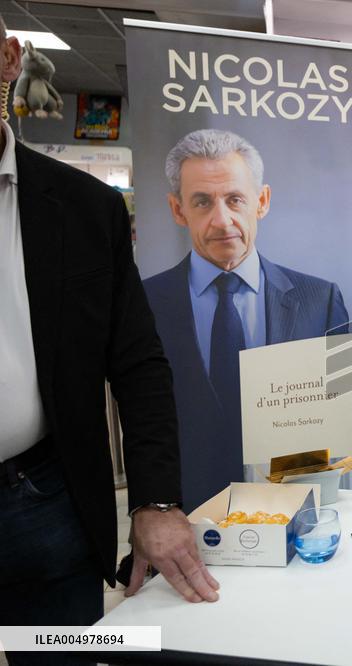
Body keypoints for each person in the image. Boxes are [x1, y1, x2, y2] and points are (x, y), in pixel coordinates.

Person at [0, 16, 218, 660]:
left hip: (44, 504)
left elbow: (140, 365)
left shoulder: (84, 209)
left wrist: (154, 500)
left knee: (57, 655)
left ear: (8, 59)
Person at [143, 129, 350, 509]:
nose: (222, 221)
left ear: (262, 201)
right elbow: (141, 426)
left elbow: (342, 426)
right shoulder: (143, 304)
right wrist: (150, 511)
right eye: (202, 202)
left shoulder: (320, 302)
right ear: (177, 210)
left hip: (295, 516)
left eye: (235, 199)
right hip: (184, 522)